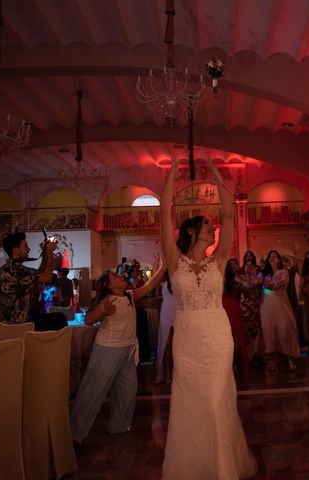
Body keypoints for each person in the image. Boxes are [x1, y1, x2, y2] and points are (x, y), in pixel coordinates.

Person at [160, 158, 257, 479]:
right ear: (191, 231)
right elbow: (164, 213)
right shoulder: (175, 261)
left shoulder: (219, 259)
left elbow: (229, 213)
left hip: (217, 338)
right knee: (191, 403)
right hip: (187, 340)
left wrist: (217, 176)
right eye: (206, 225)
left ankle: (223, 467)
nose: (213, 227)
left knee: (217, 401)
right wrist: (173, 174)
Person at [70, 254, 165, 443]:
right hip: (108, 349)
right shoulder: (108, 301)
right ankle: (75, 433)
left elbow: (149, 286)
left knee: (128, 389)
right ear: (109, 286)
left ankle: (119, 426)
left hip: (128, 349)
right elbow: (89, 320)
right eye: (114, 276)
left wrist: (162, 268)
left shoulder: (130, 296)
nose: (120, 276)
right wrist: (102, 311)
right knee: (94, 389)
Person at [0, 232, 66, 331]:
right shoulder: (15, 271)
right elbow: (47, 277)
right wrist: (50, 251)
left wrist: (46, 252)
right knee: (60, 319)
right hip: (18, 325)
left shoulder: (12, 268)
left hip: (22, 320)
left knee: (56, 318)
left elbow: (41, 273)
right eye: (25, 246)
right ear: (15, 250)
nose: (29, 249)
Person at [260, 250, 301, 372]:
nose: (272, 259)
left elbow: (279, 284)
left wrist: (268, 286)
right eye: (270, 257)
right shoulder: (264, 274)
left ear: (279, 260)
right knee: (270, 333)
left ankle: (290, 359)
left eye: (275, 257)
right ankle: (273, 362)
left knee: (284, 330)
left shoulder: (284, 272)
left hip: (281, 306)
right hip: (267, 307)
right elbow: (259, 286)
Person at [223, 258, 250, 378]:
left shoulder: (238, 277)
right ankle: (231, 366)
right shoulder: (227, 278)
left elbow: (248, 287)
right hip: (227, 306)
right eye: (231, 264)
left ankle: (236, 366)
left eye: (236, 264)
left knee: (237, 337)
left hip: (233, 306)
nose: (234, 266)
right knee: (229, 338)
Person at [237, 252, 264, 367]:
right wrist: (248, 276)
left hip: (255, 302)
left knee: (256, 327)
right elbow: (245, 284)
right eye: (246, 257)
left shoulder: (258, 270)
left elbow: (256, 283)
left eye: (250, 257)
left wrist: (251, 276)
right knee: (246, 327)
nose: (248, 258)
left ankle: (256, 356)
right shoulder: (239, 272)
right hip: (244, 304)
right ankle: (246, 357)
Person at [155, 272, 176, 383]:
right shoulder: (163, 284)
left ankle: (173, 371)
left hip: (177, 313)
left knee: (175, 345)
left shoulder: (179, 282)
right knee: (165, 344)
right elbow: (157, 298)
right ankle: (163, 372)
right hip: (166, 312)